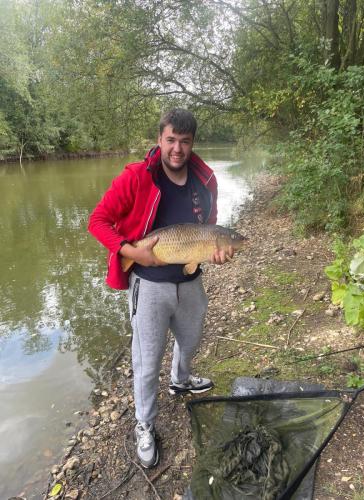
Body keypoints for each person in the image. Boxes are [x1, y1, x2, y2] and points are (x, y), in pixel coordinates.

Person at [88, 108, 234, 468]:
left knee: (191, 341)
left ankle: (181, 381)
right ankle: (145, 423)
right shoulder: (137, 177)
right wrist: (129, 250)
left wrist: (212, 255)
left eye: (184, 142)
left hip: (190, 282)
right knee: (146, 360)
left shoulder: (206, 180)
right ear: (160, 140)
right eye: (171, 140)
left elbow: (209, 228)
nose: (177, 149)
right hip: (150, 286)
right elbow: (98, 221)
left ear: (192, 143)